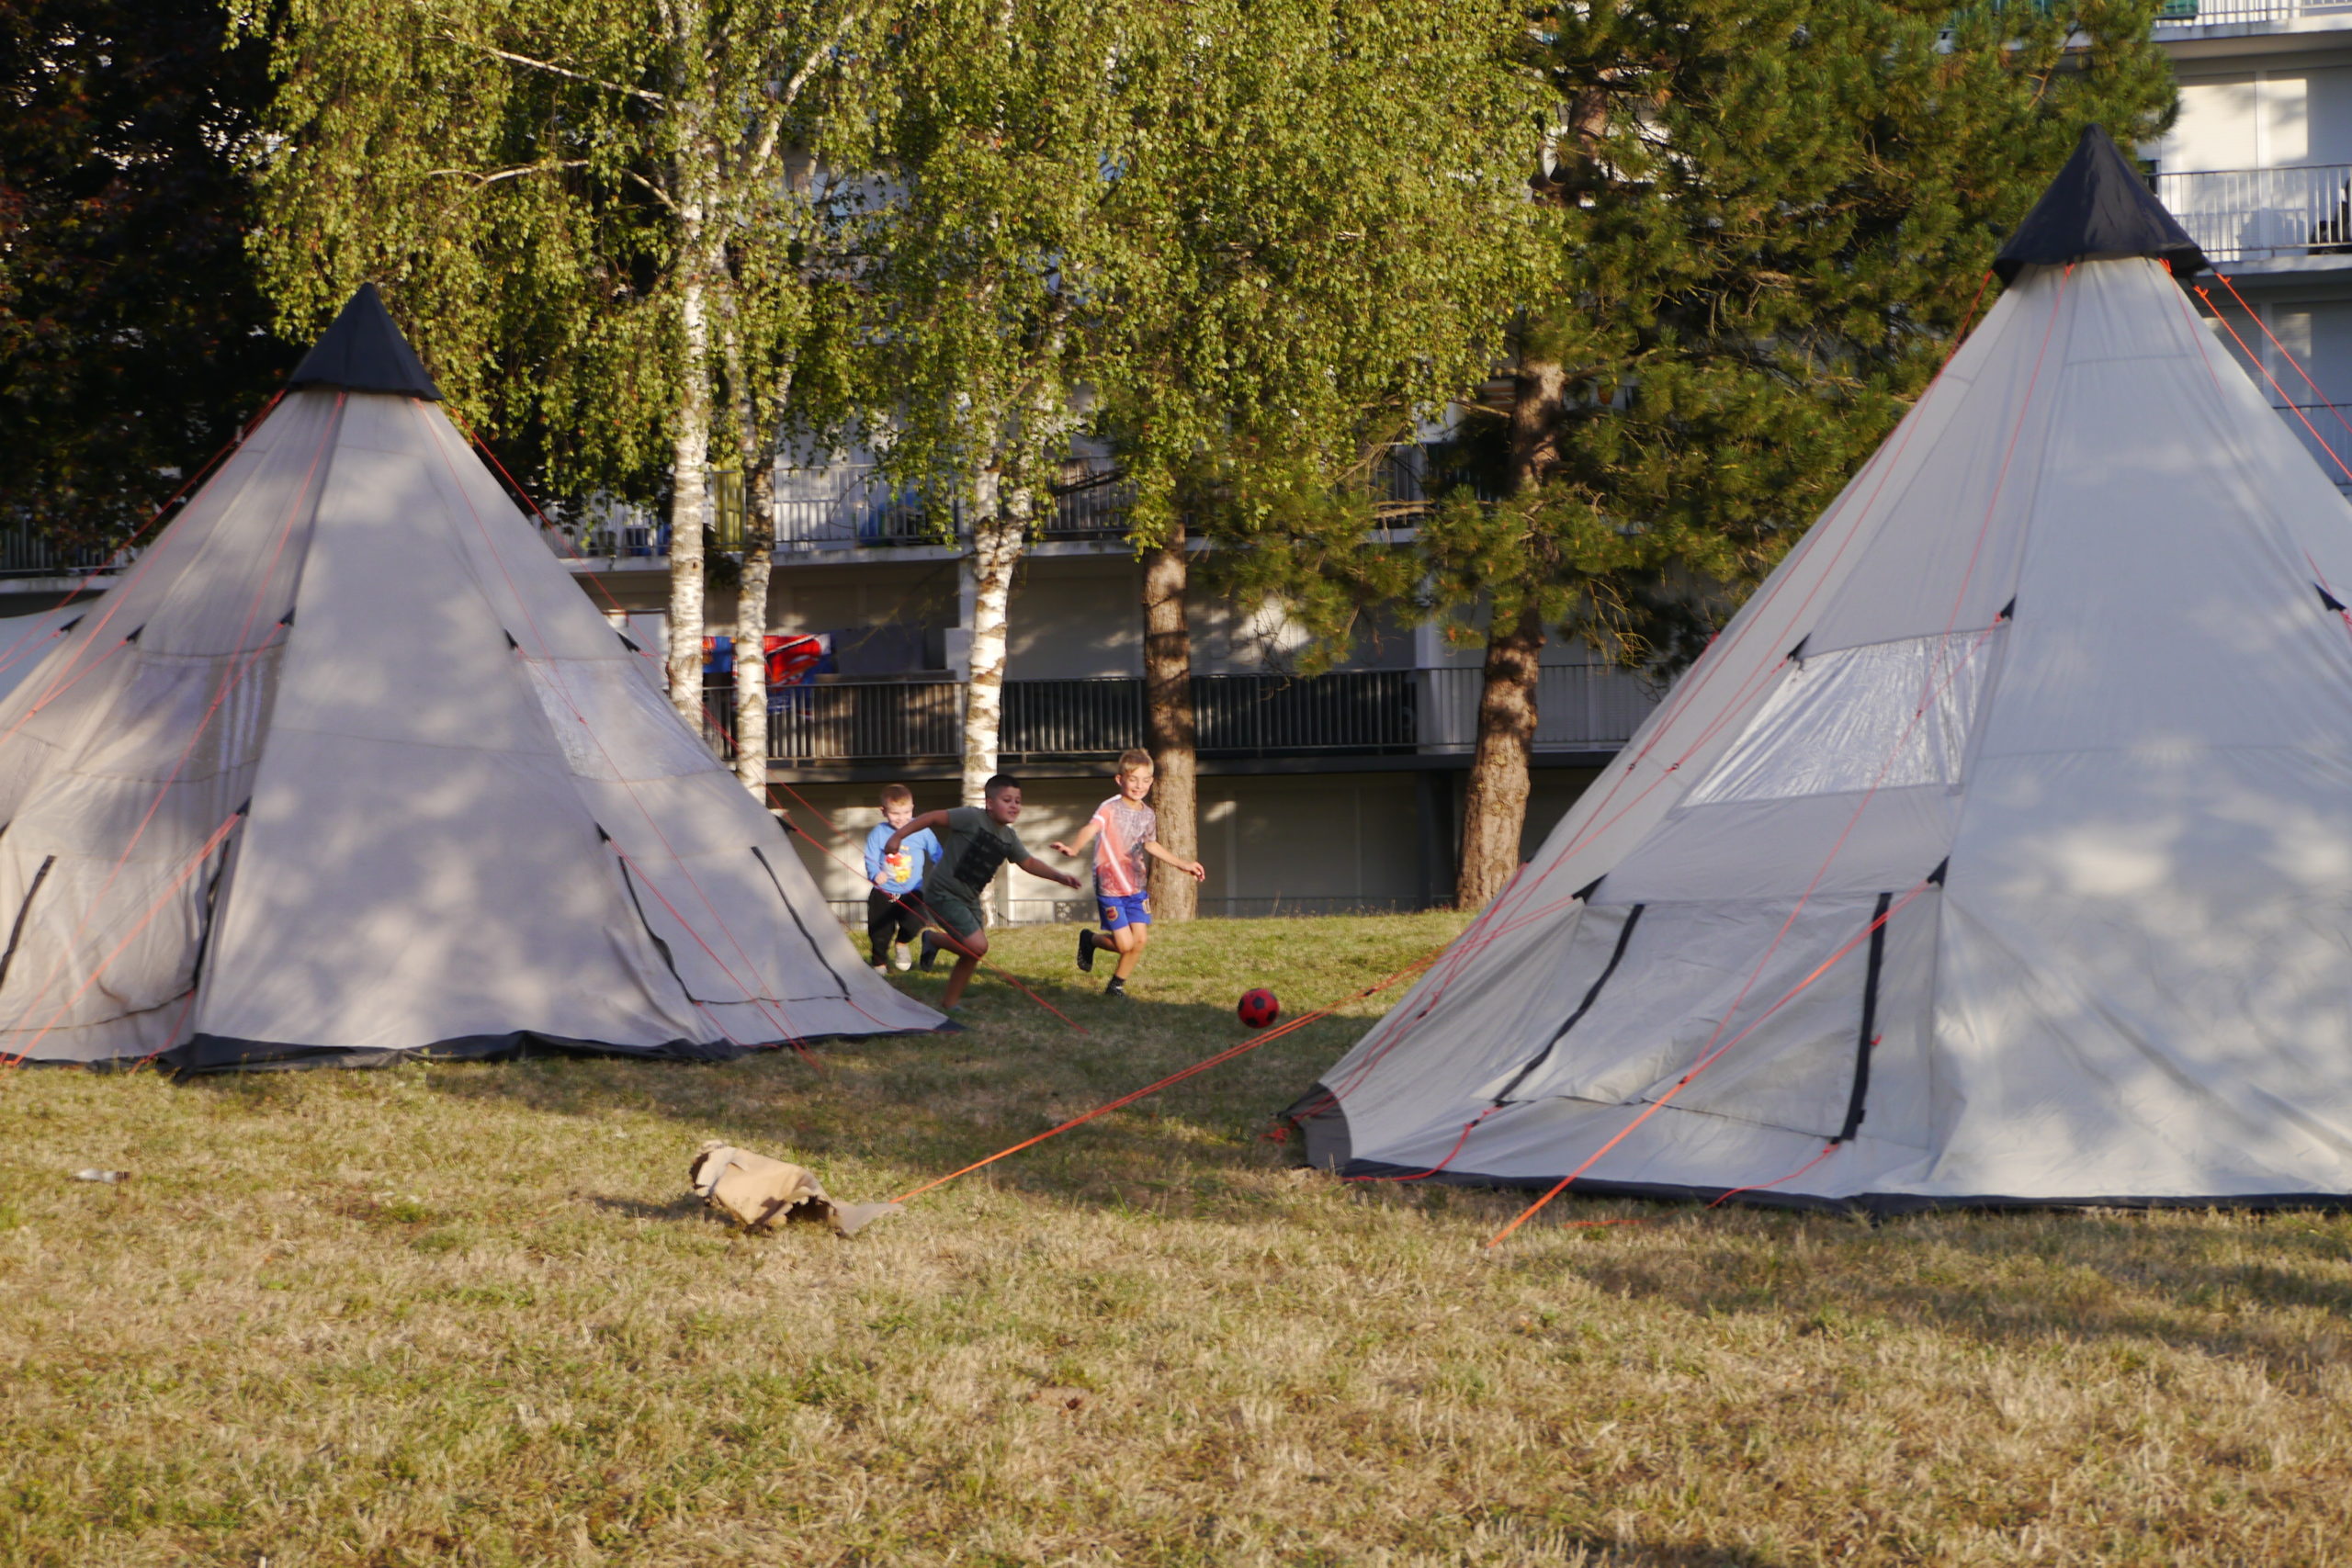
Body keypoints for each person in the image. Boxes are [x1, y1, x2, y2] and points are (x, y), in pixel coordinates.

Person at [882, 773, 1082, 1010]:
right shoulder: (971, 818)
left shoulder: (1008, 837)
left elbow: (1027, 862)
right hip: (943, 892)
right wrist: (897, 836)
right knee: (978, 946)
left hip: (969, 898)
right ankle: (934, 939)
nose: (1014, 805)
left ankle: (949, 1001)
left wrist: (1059, 876)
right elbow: (932, 818)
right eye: (1007, 800)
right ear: (989, 803)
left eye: (1018, 801)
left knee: (973, 952)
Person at [1051, 749, 1206, 998]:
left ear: (1152, 782)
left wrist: (1182, 863)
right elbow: (1092, 828)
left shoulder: (1147, 814)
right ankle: (1090, 939)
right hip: (1110, 887)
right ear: (1120, 779)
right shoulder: (1109, 808)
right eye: (1133, 779)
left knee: (1140, 940)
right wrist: (1074, 848)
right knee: (1124, 944)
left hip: (1136, 887)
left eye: (1145, 780)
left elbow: (1151, 844)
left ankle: (1116, 986)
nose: (1139, 785)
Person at [861, 784, 938, 973]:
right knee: (879, 932)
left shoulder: (922, 830)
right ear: (884, 811)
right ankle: (879, 963)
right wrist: (874, 873)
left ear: (913, 808)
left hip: (912, 890)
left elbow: (937, 853)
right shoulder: (879, 833)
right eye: (895, 814)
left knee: (916, 923)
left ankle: (902, 944)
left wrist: (944, 870)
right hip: (883, 891)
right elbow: (870, 857)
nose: (901, 819)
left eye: (906, 812)